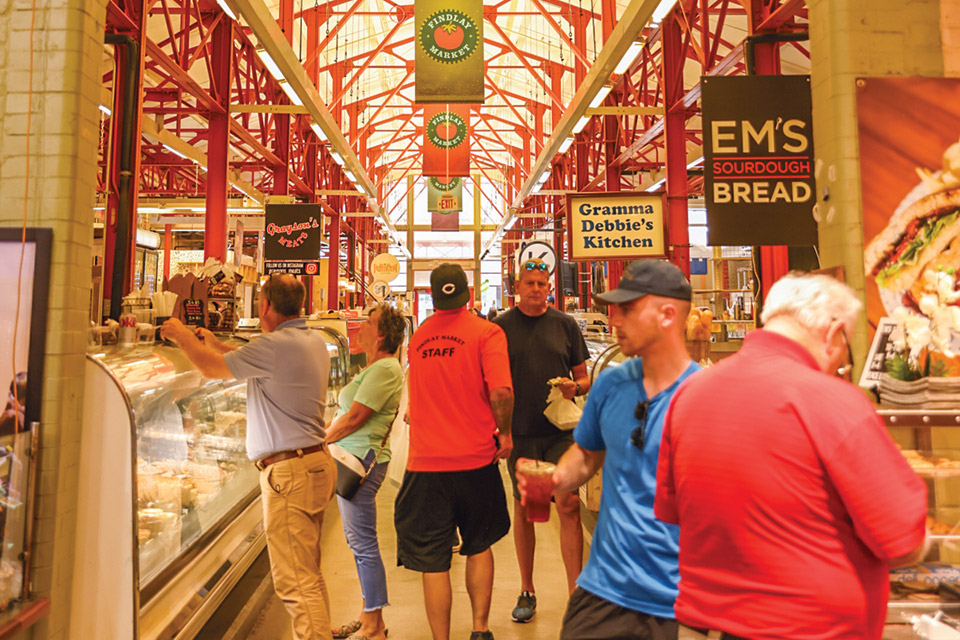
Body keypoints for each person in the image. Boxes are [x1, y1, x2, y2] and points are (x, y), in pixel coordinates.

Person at [654, 273, 929, 640]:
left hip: (708, 625)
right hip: (812, 628)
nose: (842, 361)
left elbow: (672, 512)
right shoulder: (833, 400)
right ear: (833, 334)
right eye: (846, 345)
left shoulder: (689, 394)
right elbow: (903, 542)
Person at [518, 259, 700, 640]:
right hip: (603, 585)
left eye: (629, 309)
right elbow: (587, 453)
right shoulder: (611, 384)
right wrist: (557, 477)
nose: (615, 319)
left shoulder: (706, 398)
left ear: (668, 315)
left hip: (677, 594)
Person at [161, 274, 335, 640]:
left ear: (266, 305)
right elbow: (239, 362)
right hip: (315, 465)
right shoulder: (310, 340)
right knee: (309, 577)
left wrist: (180, 336)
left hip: (289, 476)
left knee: (295, 586)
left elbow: (209, 369)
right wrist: (214, 344)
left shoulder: (273, 346)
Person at [395, 263, 514, 640]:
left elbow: (416, 400)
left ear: (431, 296)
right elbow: (501, 393)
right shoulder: (487, 332)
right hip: (475, 459)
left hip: (425, 464)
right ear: (469, 291)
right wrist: (506, 433)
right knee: (478, 545)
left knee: (434, 561)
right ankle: (480, 629)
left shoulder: (419, 339)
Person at [493, 257, 590, 622]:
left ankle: (575, 594)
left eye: (542, 283)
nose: (536, 289)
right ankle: (527, 588)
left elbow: (584, 378)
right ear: (517, 286)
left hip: (561, 433)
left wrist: (573, 387)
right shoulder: (500, 328)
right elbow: (490, 381)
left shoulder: (565, 326)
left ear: (550, 287)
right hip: (522, 435)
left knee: (567, 505)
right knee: (529, 510)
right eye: (529, 283)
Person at [326, 305, 406, 640]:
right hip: (351, 457)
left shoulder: (386, 368)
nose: (362, 326)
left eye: (370, 322)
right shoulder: (373, 367)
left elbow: (356, 417)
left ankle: (374, 624)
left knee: (364, 545)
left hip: (359, 462)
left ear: (383, 334)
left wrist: (318, 440)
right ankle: (367, 613)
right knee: (357, 541)